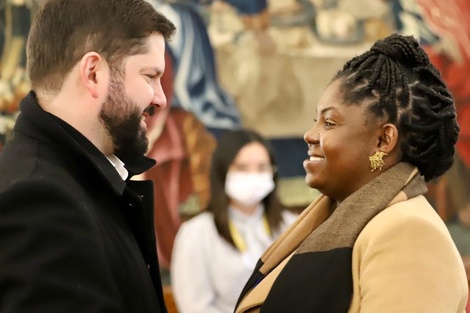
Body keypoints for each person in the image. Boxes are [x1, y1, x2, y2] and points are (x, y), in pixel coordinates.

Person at [234, 34, 469, 313]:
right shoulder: (338, 222)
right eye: (315, 121)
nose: (310, 135)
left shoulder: (409, 233)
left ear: (383, 141)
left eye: (329, 122)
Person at [0, 0, 175, 312]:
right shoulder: (40, 201)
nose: (160, 99)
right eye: (150, 76)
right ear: (93, 73)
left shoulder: (76, 182)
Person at [171, 129, 297, 313]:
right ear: (223, 172)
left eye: (262, 168)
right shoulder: (196, 233)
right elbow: (195, 306)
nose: (253, 176)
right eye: (242, 168)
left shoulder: (292, 226)